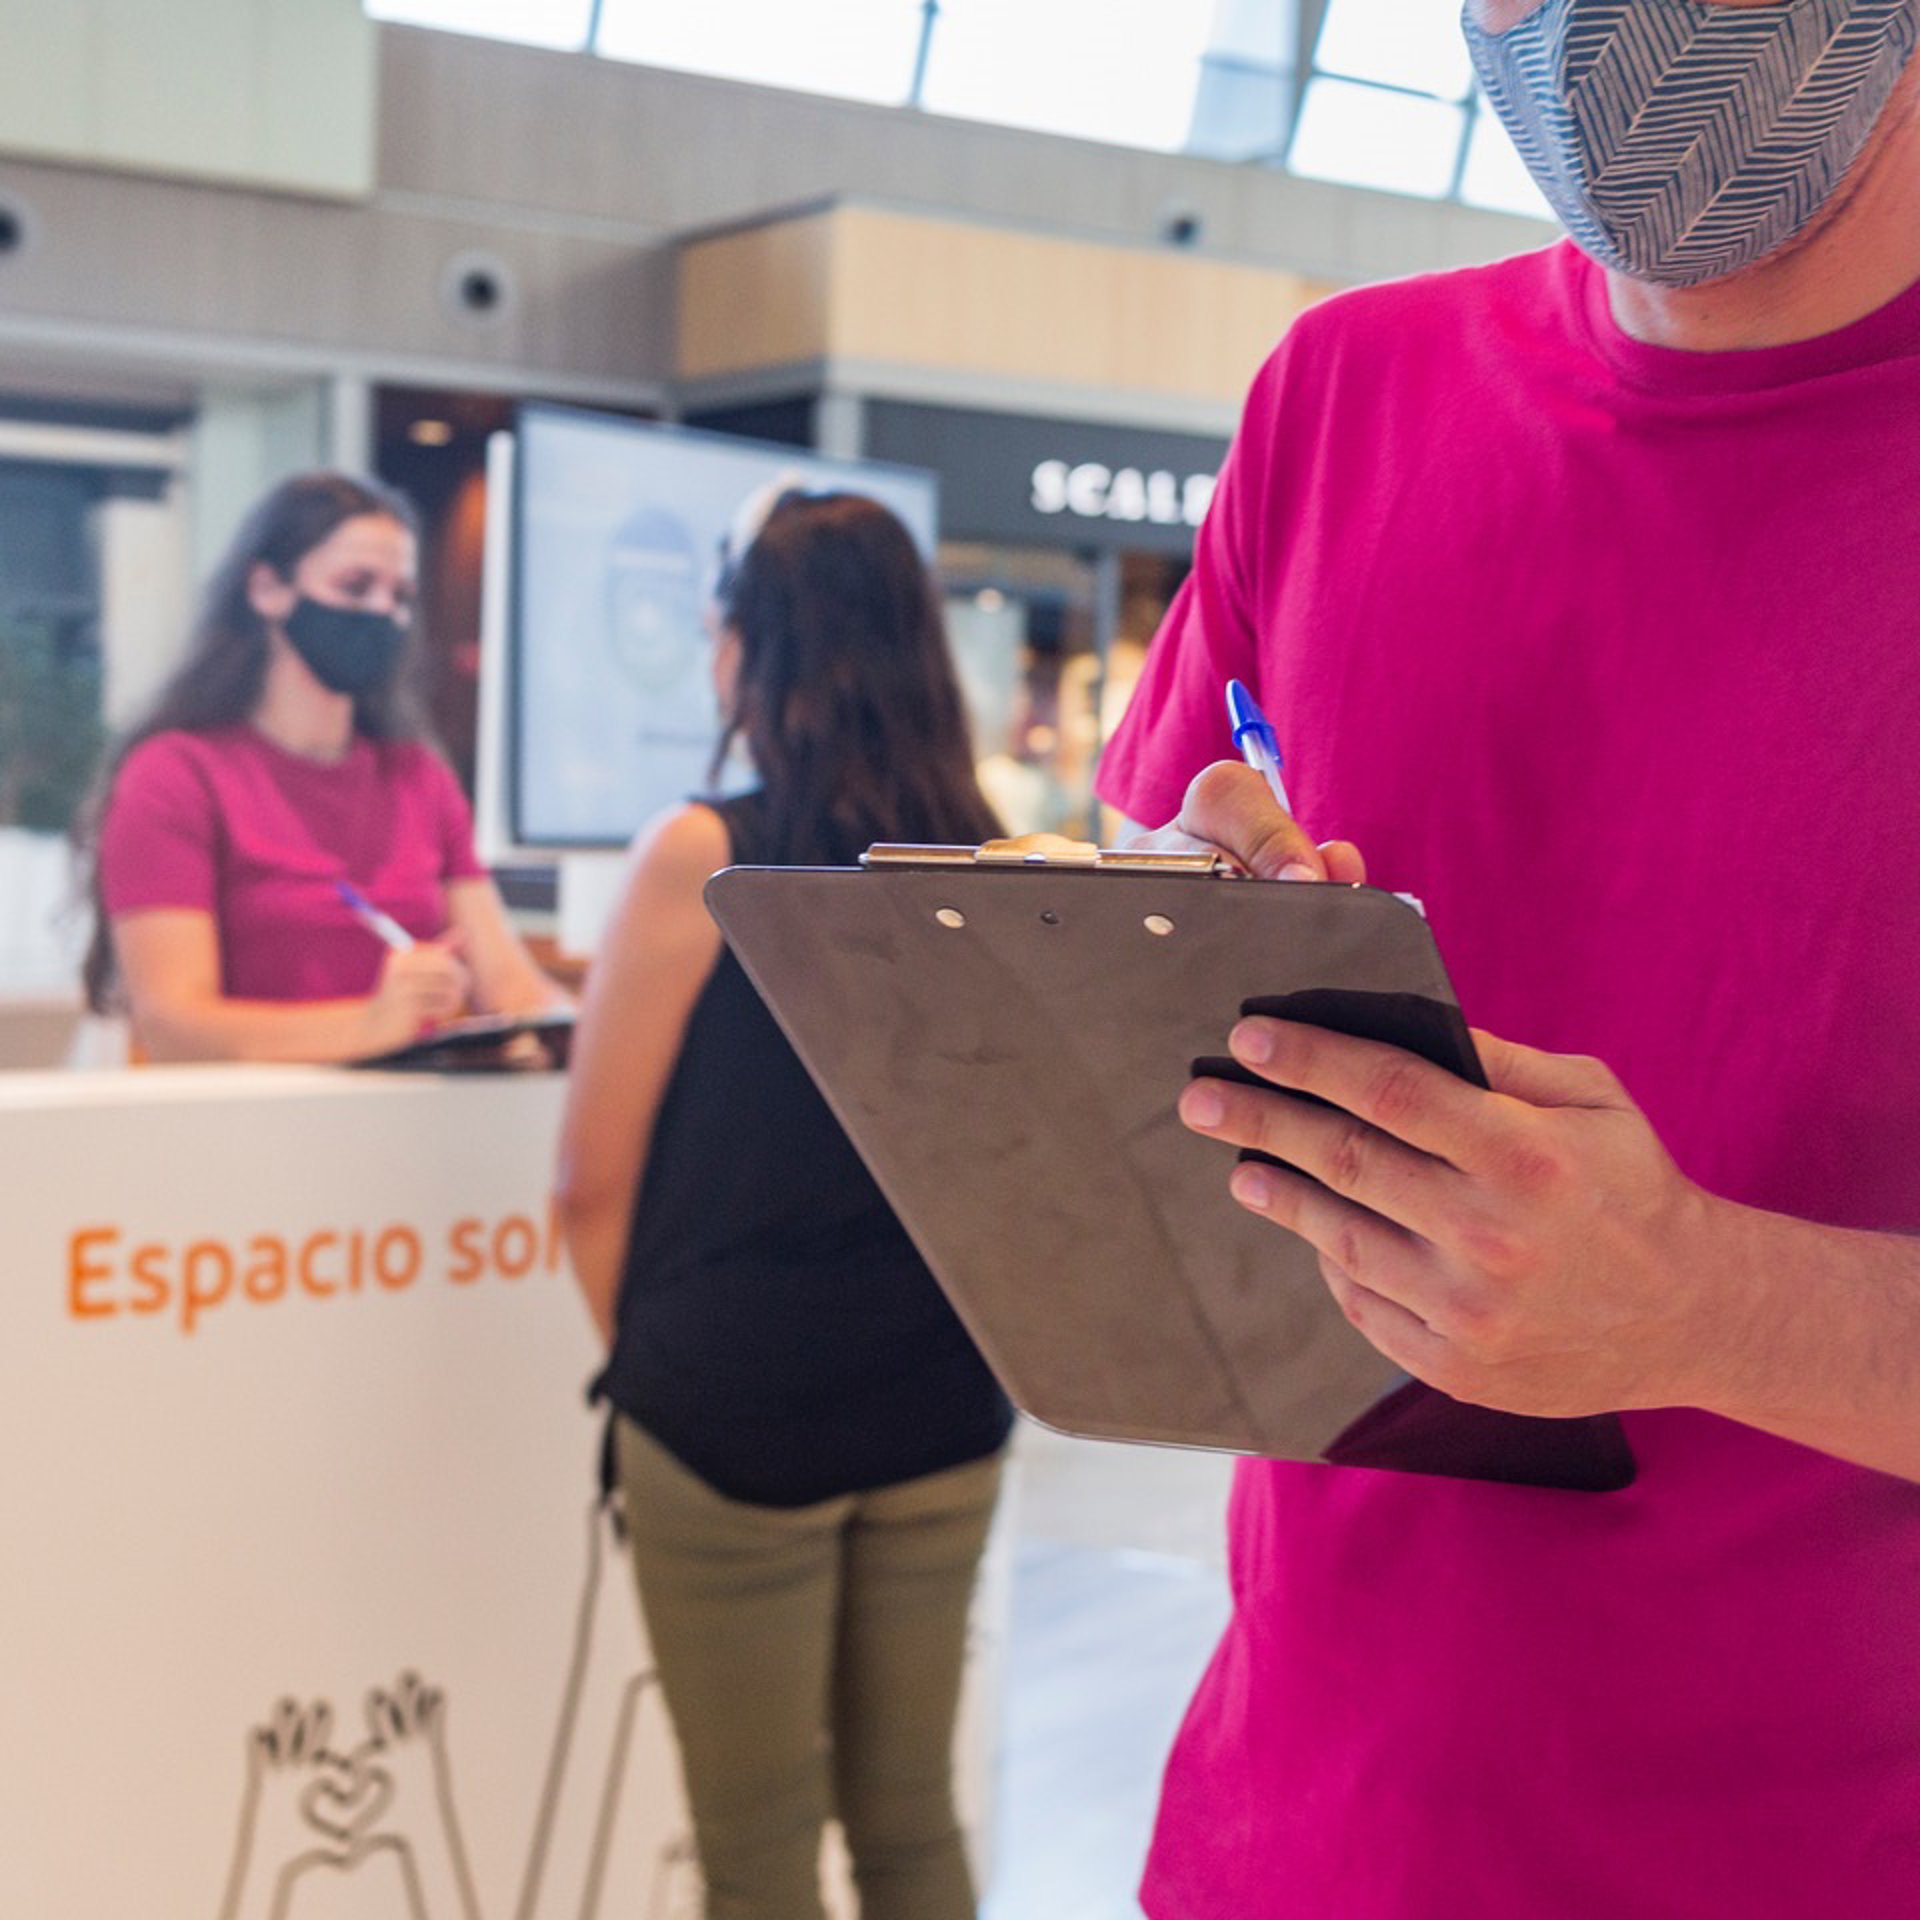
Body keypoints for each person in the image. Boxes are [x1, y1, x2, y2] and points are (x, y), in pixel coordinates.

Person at [1094, 2, 1920, 1915]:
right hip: (1301, 1830)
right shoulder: (1337, 396)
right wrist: (1168, 966)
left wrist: (1709, 1303)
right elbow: (1148, 871)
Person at [554, 490, 1014, 1920]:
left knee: (756, 1854)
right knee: (913, 1822)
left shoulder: (702, 856)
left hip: (731, 1406)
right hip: (943, 1392)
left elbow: (586, 1183)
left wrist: (665, 1367)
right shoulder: (993, 863)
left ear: (754, 648)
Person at [84, 471, 566, 1062]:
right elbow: (174, 1024)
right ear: (267, 588)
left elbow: (510, 986)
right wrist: (368, 1024)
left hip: (404, 1108)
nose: (381, 610)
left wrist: (588, 1031)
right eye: (355, 586)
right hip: (251, 1112)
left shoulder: (419, 778)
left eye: (400, 596)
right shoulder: (174, 777)